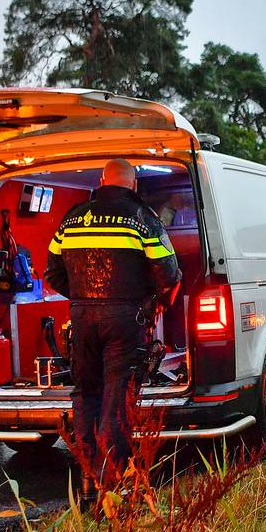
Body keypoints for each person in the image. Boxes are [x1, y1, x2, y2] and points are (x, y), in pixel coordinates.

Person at [45, 159, 181, 486]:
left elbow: (52, 272)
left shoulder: (71, 219)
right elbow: (168, 275)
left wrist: (81, 297)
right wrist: (154, 300)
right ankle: (114, 480)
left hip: (82, 318)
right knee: (117, 398)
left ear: (102, 180)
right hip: (125, 319)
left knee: (86, 392)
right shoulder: (143, 219)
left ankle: (88, 476)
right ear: (133, 185)